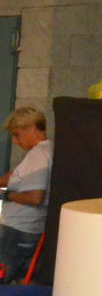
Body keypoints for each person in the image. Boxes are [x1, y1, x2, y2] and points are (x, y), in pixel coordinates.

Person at [1, 107, 53, 283]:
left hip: (17, 230)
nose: (15, 141)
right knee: (22, 279)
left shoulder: (38, 155)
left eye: (17, 135)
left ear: (31, 127)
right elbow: (15, 176)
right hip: (29, 229)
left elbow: (35, 197)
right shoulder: (46, 150)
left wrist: (6, 195)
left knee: (4, 277)